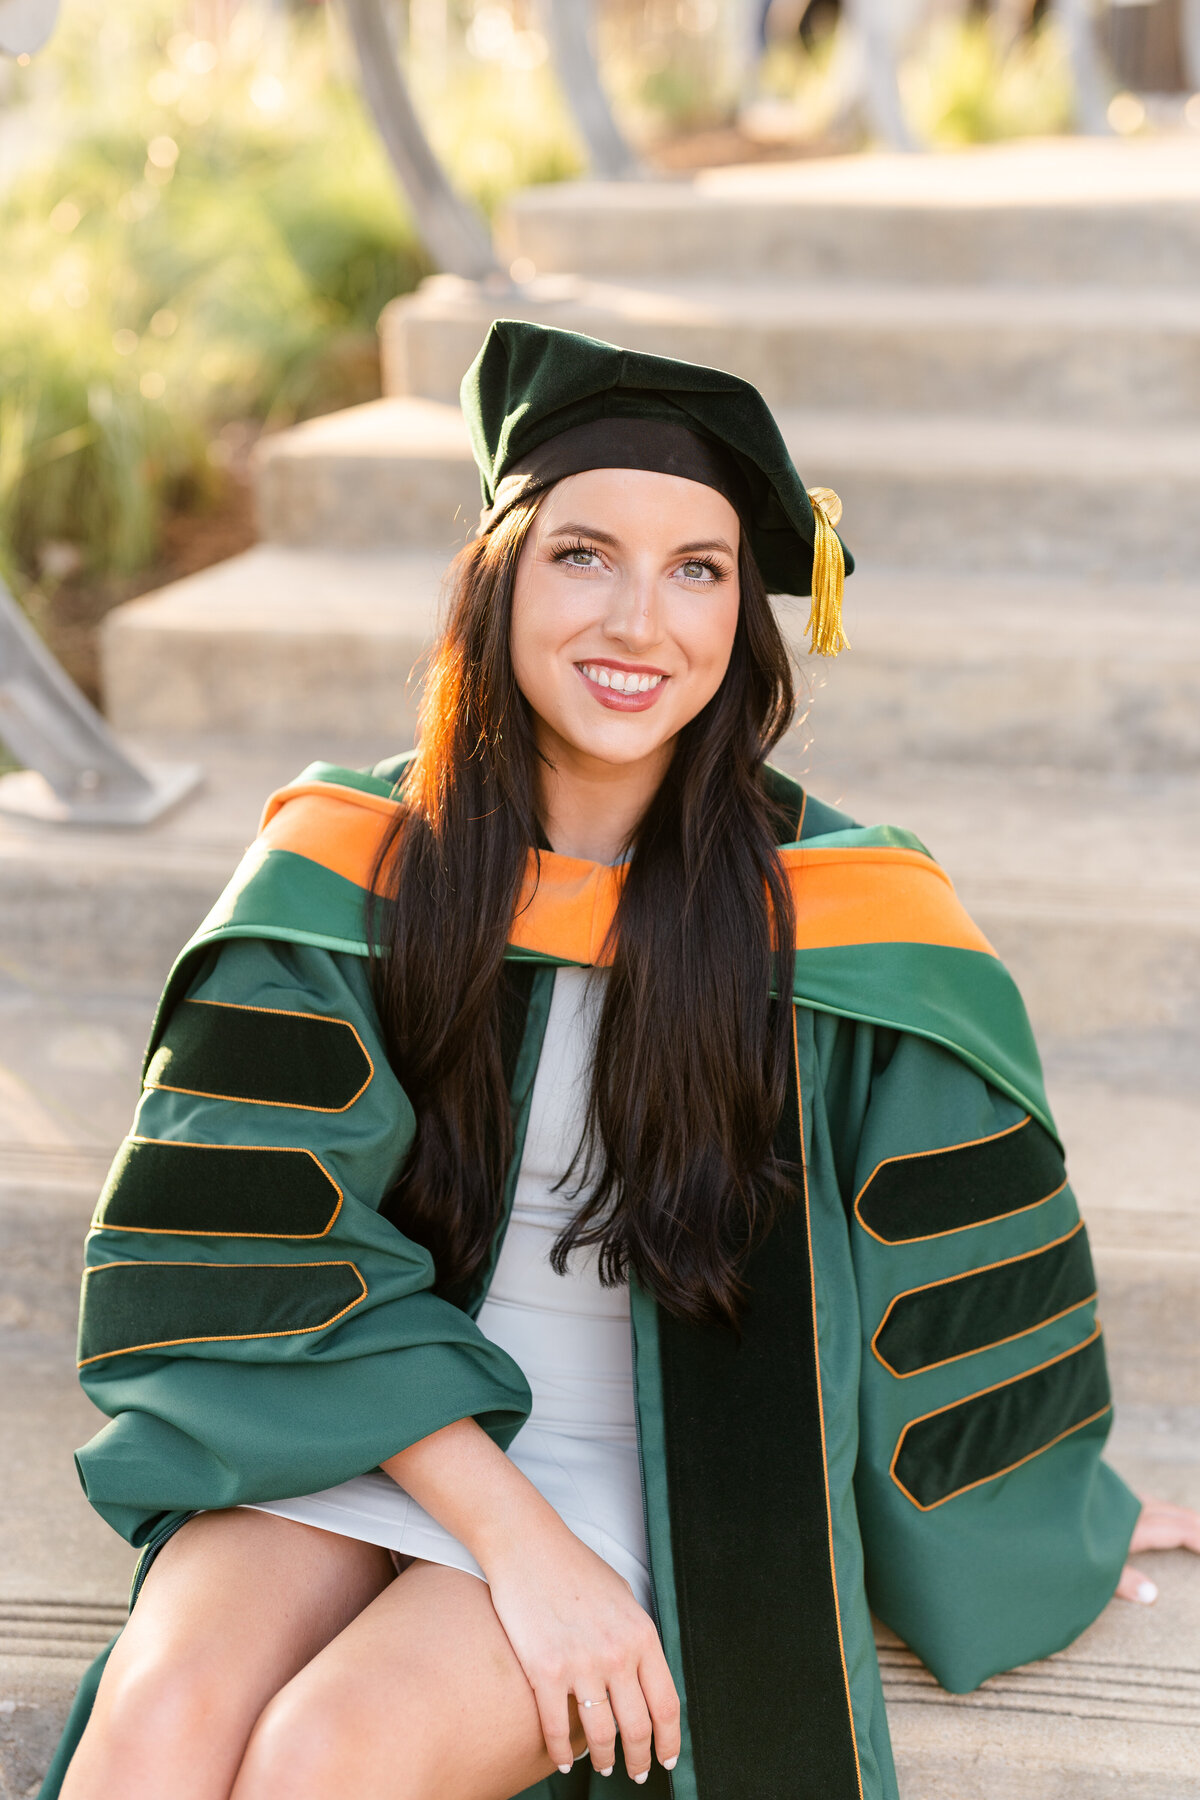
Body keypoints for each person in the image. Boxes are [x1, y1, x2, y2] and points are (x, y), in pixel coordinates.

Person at [44, 321, 1199, 1800]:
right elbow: (258, 1240)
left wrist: (1054, 1509)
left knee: (320, 1759)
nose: (640, 622)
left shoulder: (844, 915)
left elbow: (958, 1281)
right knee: (152, 1735)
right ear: (501, 579)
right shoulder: (352, 874)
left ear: (748, 610)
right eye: (584, 554)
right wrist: (513, 1546)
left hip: (646, 1471)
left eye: (697, 569)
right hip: (373, 1426)